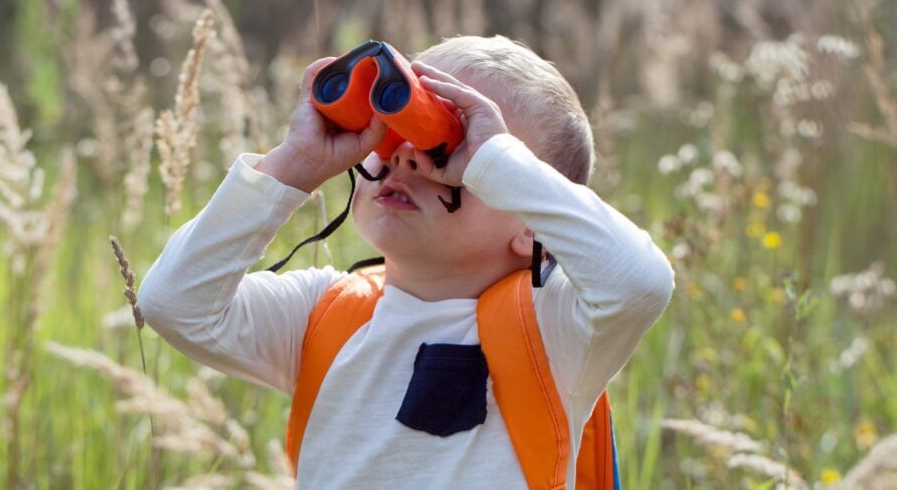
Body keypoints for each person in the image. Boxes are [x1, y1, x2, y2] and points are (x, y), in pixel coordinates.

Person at [139, 34, 675, 488]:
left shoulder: (556, 331)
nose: (404, 156)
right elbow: (173, 303)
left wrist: (491, 159)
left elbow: (640, 282)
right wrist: (295, 165)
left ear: (531, 216)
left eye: (444, 143)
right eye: (394, 130)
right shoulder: (322, 316)